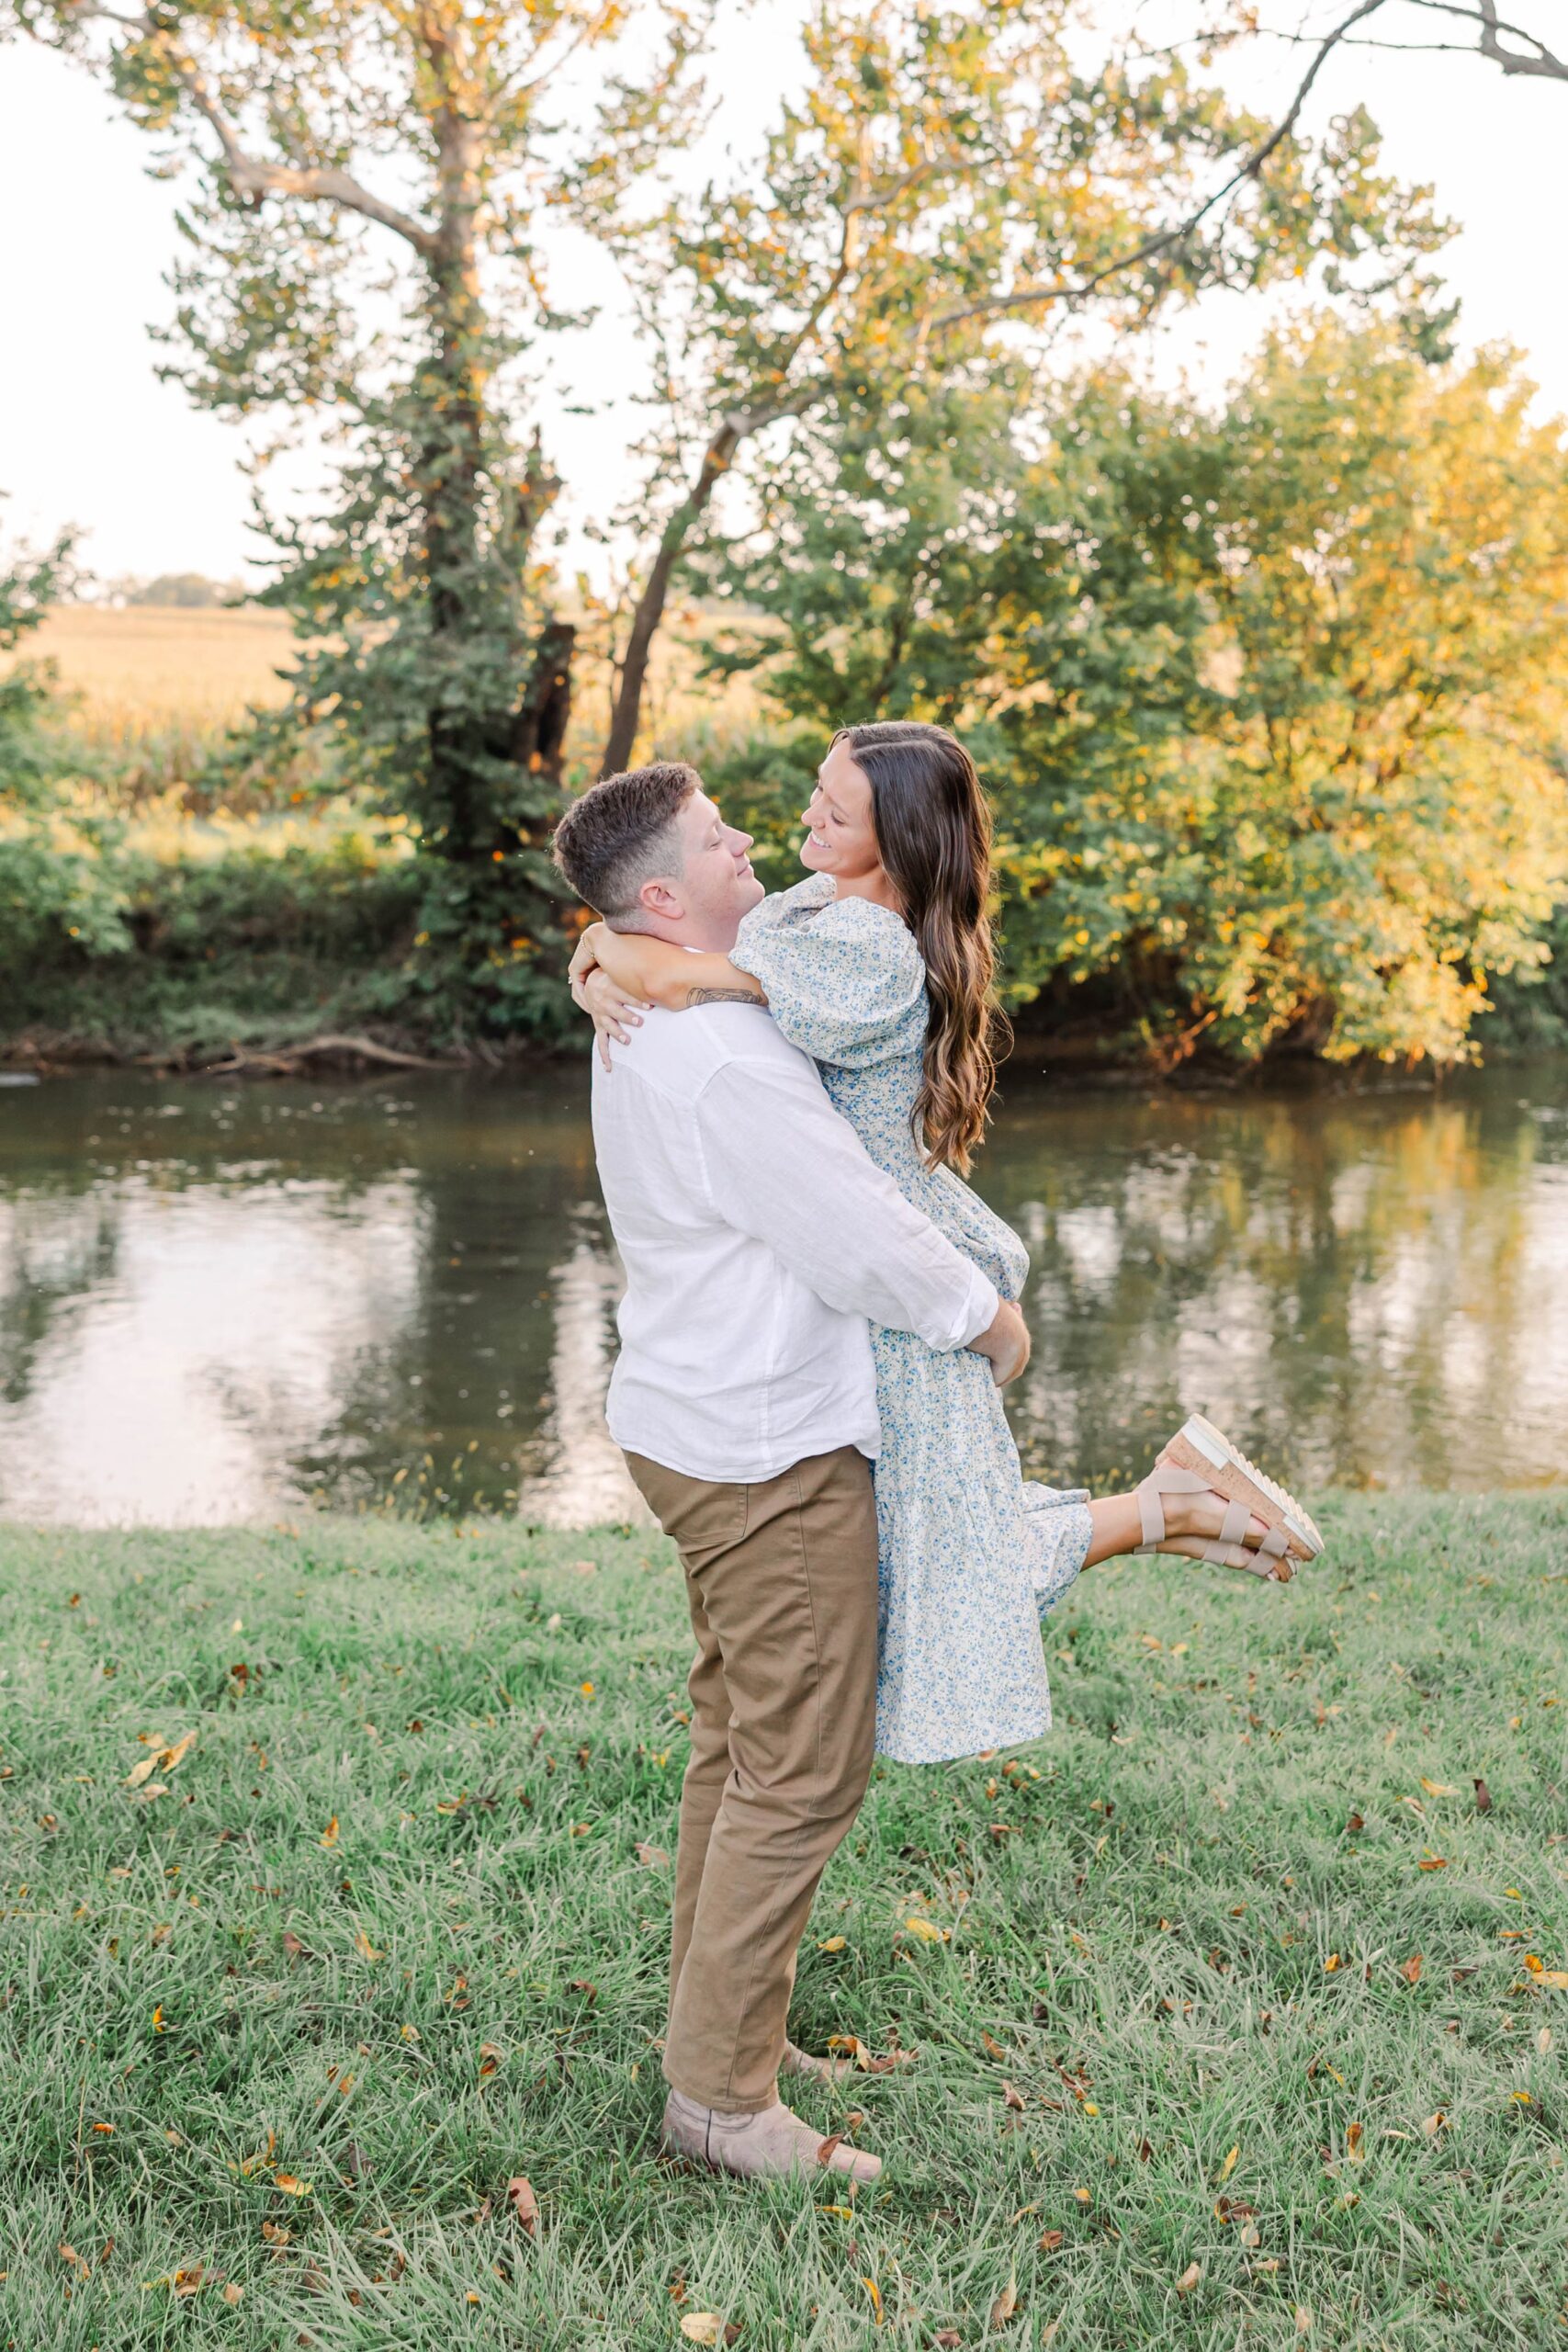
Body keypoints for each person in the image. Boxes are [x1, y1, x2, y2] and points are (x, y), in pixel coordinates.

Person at [568, 723, 1324, 1778]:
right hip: (886, 1277)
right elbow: (698, 955)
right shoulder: (820, 909)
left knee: (947, 1557)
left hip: (909, 1278)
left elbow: (709, 975)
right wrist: (604, 949)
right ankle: (1171, 1504)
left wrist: (621, 953)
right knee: (941, 1542)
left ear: (897, 838)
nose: (785, 825)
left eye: (834, 808)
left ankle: (1172, 1506)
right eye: (814, 797)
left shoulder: (864, 953)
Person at [551, 759, 1032, 2188]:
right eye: (717, 838)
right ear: (660, 896)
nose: (748, 838)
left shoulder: (671, 989)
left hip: (691, 1417)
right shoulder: (713, 1052)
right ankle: (717, 2098)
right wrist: (982, 1319)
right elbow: (852, 1233)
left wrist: (601, 951)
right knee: (802, 1771)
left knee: (737, 1742)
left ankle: (725, 2027)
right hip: (763, 1448)